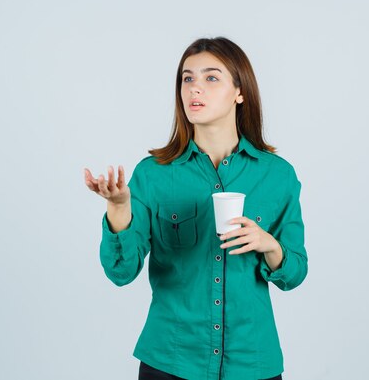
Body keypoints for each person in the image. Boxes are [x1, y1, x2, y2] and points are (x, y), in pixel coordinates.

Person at [84, 37, 307, 380]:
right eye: (187, 79)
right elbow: (120, 272)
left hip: (252, 363)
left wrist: (270, 245)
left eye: (211, 78)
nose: (194, 89)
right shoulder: (154, 174)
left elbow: (294, 274)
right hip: (171, 362)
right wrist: (118, 208)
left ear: (240, 91)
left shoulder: (277, 176)